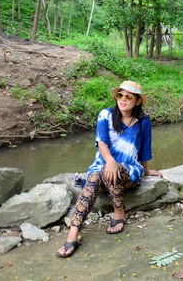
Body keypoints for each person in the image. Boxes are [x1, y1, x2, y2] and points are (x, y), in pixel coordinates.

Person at [56, 81, 162, 258]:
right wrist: (111, 162)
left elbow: (144, 149)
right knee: (95, 177)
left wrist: (147, 170)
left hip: (129, 170)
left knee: (111, 170)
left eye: (129, 96)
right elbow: (102, 143)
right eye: (121, 95)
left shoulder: (143, 122)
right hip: (103, 164)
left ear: (137, 101)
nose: (123, 99)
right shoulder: (105, 115)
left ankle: (119, 211)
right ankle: (73, 233)